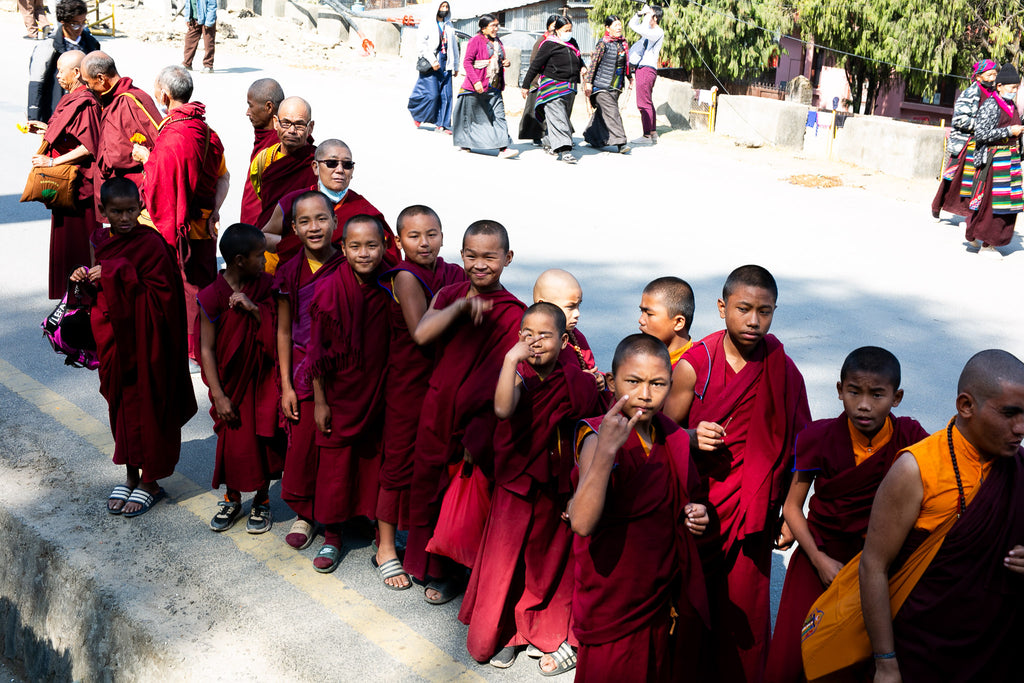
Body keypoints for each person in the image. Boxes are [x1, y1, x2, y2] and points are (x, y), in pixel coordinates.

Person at [804, 350, 1024, 681]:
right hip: (921, 647)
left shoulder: (1018, 467)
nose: (1020, 428)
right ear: (965, 405)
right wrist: (886, 661)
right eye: (1009, 414)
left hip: (997, 645)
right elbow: (873, 566)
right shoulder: (916, 470)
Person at [674, 265, 811, 682]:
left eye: (765, 312)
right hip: (698, 508)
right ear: (722, 308)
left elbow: (801, 447)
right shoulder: (696, 363)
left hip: (754, 515)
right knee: (691, 605)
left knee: (745, 613)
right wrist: (691, 436)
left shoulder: (783, 368)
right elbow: (659, 433)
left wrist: (791, 509)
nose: (754, 321)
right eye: (744, 309)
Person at [763, 347, 927, 683]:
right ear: (840, 391)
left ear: (896, 397)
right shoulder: (818, 437)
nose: (864, 404)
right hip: (820, 555)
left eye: (877, 394)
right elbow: (793, 508)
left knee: (860, 659)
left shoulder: (909, 438)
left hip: (880, 562)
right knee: (795, 659)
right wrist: (819, 560)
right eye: (854, 392)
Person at [459, 303, 602, 673]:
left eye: (545, 335)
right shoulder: (518, 372)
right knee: (506, 561)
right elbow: (504, 409)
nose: (535, 342)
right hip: (517, 482)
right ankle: (502, 632)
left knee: (547, 561)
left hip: (557, 484)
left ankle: (538, 627)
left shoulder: (576, 378)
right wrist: (509, 361)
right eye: (528, 335)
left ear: (564, 339)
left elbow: (592, 423)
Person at [568, 334, 710, 682]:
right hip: (613, 594)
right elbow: (582, 523)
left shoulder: (671, 435)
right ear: (613, 383)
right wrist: (606, 451)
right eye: (634, 382)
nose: (645, 394)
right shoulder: (596, 435)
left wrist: (696, 513)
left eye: (658, 383)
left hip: (657, 591)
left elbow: (679, 497)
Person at [406, 220, 526, 604]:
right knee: (428, 487)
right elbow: (423, 334)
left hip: (477, 422)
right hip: (437, 408)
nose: (479, 264)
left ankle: (455, 572)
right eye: (471, 255)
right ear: (461, 255)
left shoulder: (514, 313)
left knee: (467, 495)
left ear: (507, 258)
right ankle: (427, 565)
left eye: (490, 256)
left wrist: (483, 433)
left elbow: (508, 381)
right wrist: (458, 308)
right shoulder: (449, 294)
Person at [71, 178, 196, 518]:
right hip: (114, 337)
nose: (125, 219)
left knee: (150, 406)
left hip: (148, 340)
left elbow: (165, 298)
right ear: (103, 212)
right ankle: (129, 474)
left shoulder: (152, 244)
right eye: (116, 212)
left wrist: (116, 272)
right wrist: (85, 279)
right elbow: (101, 290)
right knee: (121, 406)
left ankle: (151, 481)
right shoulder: (100, 239)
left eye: (130, 211)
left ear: (140, 207)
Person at [374, 205, 467, 589]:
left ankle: (424, 542)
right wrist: (462, 306)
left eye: (432, 234)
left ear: (443, 237)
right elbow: (421, 333)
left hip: (444, 383)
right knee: (398, 462)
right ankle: (384, 548)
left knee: (434, 464)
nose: (424, 243)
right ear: (399, 242)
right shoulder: (406, 278)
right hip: (409, 384)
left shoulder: (452, 273)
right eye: (414, 236)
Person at [307, 214, 391, 573]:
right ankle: (332, 534)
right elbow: (315, 351)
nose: (364, 253)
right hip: (340, 392)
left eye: (372, 245)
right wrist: (321, 400)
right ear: (342, 248)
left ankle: (372, 525)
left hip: (379, 390)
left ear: (385, 246)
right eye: (355, 246)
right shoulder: (328, 288)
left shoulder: (393, 283)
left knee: (373, 461)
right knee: (336, 468)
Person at [133, 65, 229, 362]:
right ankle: (209, 347)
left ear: (163, 94)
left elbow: (162, 183)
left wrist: (146, 158)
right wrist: (215, 211)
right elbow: (224, 177)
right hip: (204, 224)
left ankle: (192, 351)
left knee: (187, 289)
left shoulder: (175, 135)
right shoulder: (206, 130)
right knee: (203, 284)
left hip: (179, 226)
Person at [197, 224, 282, 534]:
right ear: (238, 260)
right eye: (260, 255)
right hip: (229, 385)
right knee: (232, 443)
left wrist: (255, 309)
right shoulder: (211, 295)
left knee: (261, 441)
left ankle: (262, 500)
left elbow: (278, 330)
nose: (265, 260)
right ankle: (232, 496)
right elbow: (206, 348)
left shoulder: (267, 287)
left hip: (261, 380)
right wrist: (218, 395)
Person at [274, 191, 346, 551]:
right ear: (294, 228)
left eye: (321, 219)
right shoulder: (288, 271)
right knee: (302, 448)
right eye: (304, 221)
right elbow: (284, 330)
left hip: (344, 374)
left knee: (336, 451)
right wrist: (286, 385)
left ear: (335, 222)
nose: (314, 227)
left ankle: (333, 525)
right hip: (302, 372)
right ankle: (305, 513)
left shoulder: (350, 266)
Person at [262, 139, 397, 273]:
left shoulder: (363, 209)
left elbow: (386, 256)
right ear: (315, 167)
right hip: (296, 282)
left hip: (346, 285)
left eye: (347, 165)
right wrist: (293, 244)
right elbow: (265, 235)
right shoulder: (294, 200)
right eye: (331, 163)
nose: (340, 170)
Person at [31, 50, 101, 299]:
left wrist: (52, 161)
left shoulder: (86, 102)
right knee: (65, 244)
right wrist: (44, 131)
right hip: (66, 186)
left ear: (78, 73)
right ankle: (68, 297)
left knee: (79, 244)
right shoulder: (71, 97)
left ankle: (84, 297)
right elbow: (68, 134)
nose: (58, 75)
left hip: (78, 187)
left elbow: (88, 145)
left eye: (62, 70)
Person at [79, 52, 161, 204]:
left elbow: (118, 155)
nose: (87, 87)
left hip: (132, 193)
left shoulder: (127, 102)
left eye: (87, 82)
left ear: (101, 78)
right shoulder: (125, 96)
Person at [965, 63, 1023, 254]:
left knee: (1004, 204)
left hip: (1010, 161)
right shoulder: (991, 105)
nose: (1014, 92)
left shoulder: (1011, 105)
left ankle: (976, 235)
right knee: (993, 204)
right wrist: (1009, 131)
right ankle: (987, 244)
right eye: (1011, 88)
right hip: (994, 161)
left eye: (1016, 88)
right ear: (999, 87)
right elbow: (980, 134)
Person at [931, 60, 997, 220]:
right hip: (966, 142)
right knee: (952, 177)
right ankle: (937, 205)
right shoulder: (970, 93)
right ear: (979, 77)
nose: (993, 77)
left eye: (995, 73)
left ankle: (968, 213)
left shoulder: (995, 94)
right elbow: (960, 120)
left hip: (984, 144)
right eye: (989, 74)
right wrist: (982, 127)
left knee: (976, 180)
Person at [520, 16, 585, 164]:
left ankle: (549, 140)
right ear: (557, 30)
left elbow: (578, 58)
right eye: (565, 30)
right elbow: (535, 65)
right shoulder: (548, 44)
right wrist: (526, 85)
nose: (569, 33)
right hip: (552, 85)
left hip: (569, 86)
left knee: (560, 118)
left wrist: (583, 66)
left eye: (570, 30)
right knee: (559, 117)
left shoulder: (572, 42)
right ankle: (565, 150)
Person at [249, 96, 317, 234]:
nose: (292, 130)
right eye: (286, 123)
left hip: (303, 244)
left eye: (299, 125)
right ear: (275, 123)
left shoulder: (318, 163)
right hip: (268, 245)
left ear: (310, 127)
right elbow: (263, 198)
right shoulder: (264, 159)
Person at [453, 15, 518, 159]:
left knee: (499, 116)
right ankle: (466, 143)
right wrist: (475, 81)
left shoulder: (497, 41)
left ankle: (503, 148)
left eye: (497, 25)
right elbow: (467, 63)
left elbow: (497, 59)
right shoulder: (475, 41)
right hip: (476, 86)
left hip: (494, 86)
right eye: (493, 26)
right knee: (471, 118)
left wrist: (504, 62)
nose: (496, 28)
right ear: (483, 28)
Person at [26, 0, 99, 127]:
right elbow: (37, 81)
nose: (80, 29)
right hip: (55, 109)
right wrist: (34, 115)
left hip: (85, 110)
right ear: (63, 22)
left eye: (83, 23)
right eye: (75, 24)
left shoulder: (91, 44)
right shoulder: (49, 46)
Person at [533, 268, 602, 384]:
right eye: (570, 307)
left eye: (578, 306)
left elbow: (590, 369)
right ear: (542, 305)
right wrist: (579, 379)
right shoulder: (532, 340)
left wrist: (599, 379)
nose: (577, 314)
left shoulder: (576, 337)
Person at [583, 15, 632, 154]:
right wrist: (588, 83)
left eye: (620, 25)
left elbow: (625, 64)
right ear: (607, 28)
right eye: (615, 25)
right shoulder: (603, 44)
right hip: (601, 87)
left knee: (603, 114)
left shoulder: (622, 44)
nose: (619, 27)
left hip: (616, 87)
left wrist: (630, 77)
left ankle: (592, 136)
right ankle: (621, 142)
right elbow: (593, 64)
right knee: (612, 113)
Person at [408, 1, 459, 133]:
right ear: (436, 8)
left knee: (446, 94)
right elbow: (421, 44)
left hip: (446, 61)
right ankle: (418, 114)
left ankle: (444, 124)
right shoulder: (427, 23)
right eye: (442, 6)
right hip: (432, 61)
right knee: (432, 94)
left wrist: (456, 65)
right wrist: (432, 60)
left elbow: (454, 46)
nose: (444, 9)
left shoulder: (449, 24)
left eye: (446, 7)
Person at [241, 79, 285, 225]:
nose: (247, 112)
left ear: (268, 107)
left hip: (264, 232)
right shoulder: (264, 137)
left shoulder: (281, 146)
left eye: (250, 106)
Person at [518, 15, 559, 146]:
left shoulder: (561, 42)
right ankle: (535, 136)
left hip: (555, 81)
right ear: (548, 26)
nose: (556, 28)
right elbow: (534, 63)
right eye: (554, 25)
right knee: (535, 110)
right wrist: (534, 82)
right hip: (539, 81)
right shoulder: (542, 41)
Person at [638, 276, 695, 369]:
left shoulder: (699, 364)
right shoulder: (636, 357)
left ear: (678, 322)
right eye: (642, 312)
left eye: (649, 314)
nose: (641, 320)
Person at [628, 5, 664, 145]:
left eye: (650, 15)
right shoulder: (649, 30)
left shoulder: (657, 32)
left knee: (643, 103)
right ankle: (653, 132)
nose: (647, 17)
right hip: (644, 68)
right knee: (647, 101)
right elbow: (633, 24)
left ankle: (646, 136)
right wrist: (640, 13)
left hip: (646, 69)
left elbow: (638, 29)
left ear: (655, 17)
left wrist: (647, 13)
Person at [183, 0, 217, 74]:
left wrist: (209, 21)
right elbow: (188, 4)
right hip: (194, 20)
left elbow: (212, 6)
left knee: (208, 43)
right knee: (189, 41)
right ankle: (187, 64)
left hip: (207, 20)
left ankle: (208, 65)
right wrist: (187, 18)